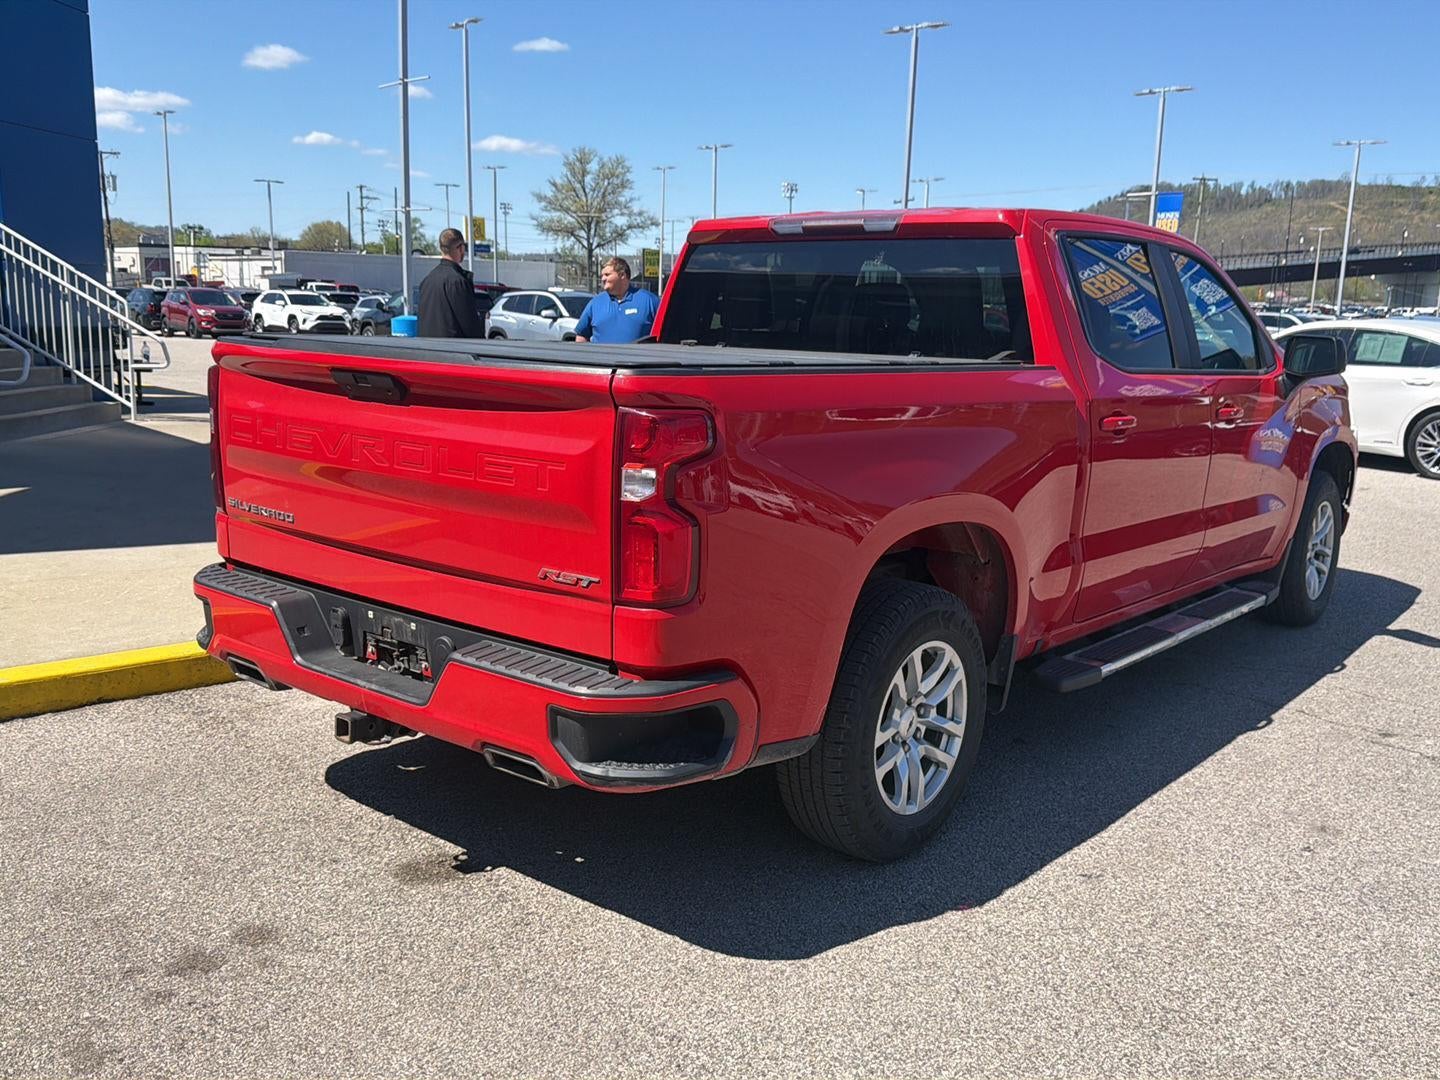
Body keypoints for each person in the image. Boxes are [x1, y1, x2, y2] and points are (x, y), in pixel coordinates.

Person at [418, 228, 486, 338]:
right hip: (454, 351)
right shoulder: (457, 282)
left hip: (428, 350)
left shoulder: (427, 281)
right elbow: (470, 325)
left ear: (441, 249)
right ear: (461, 248)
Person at [574, 257, 660, 343]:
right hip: (602, 357)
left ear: (622, 275)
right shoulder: (595, 303)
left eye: (607, 275)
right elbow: (581, 335)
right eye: (602, 276)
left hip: (639, 356)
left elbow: (666, 333)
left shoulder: (649, 301)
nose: (603, 279)